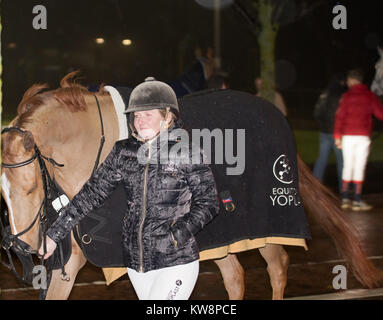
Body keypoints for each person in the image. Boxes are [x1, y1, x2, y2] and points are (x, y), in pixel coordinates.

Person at [39, 77, 219, 300]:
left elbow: (209, 202)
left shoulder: (188, 152)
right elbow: (91, 194)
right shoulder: (124, 152)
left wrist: (176, 235)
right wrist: (54, 234)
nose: (140, 122)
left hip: (176, 261)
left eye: (148, 115)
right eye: (136, 116)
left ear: (168, 117)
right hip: (136, 265)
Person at [334, 69, 383, 211]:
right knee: (359, 167)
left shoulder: (346, 96)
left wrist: (337, 137)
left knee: (347, 166)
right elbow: (380, 114)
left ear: (351, 80)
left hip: (348, 137)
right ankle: (357, 200)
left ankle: (344, 199)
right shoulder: (370, 96)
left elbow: (339, 118)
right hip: (362, 137)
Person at [313, 74, 346, 192]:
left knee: (321, 159)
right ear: (342, 82)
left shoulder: (324, 94)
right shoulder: (342, 94)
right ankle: (344, 189)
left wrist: (322, 124)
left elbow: (316, 113)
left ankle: (315, 185)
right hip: (337, 133)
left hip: (324, 131)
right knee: (341, 161)